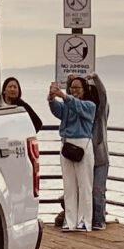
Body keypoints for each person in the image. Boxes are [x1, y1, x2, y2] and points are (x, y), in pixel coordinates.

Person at [49, 76, 97, 231]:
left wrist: (63, 96)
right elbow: (58, 110)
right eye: (72, 88)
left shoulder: (90, 105)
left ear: (84, 90)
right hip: (67, 143)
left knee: (85, 184)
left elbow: (78, 106)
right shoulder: (68, 105)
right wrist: (51, 99)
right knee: (69, 185)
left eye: (78, 88)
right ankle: (70, 221)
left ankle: (85, 220)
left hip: (83, 144)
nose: (74, 91)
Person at [86, 72, 113, 230]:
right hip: (84, 157)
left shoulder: (101, 112)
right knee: (83, 191)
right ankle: (87, 219)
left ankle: (99, 220)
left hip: (100, 157)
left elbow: (103, 96)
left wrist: (96, 78)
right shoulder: (83, 110)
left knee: (98, 191)